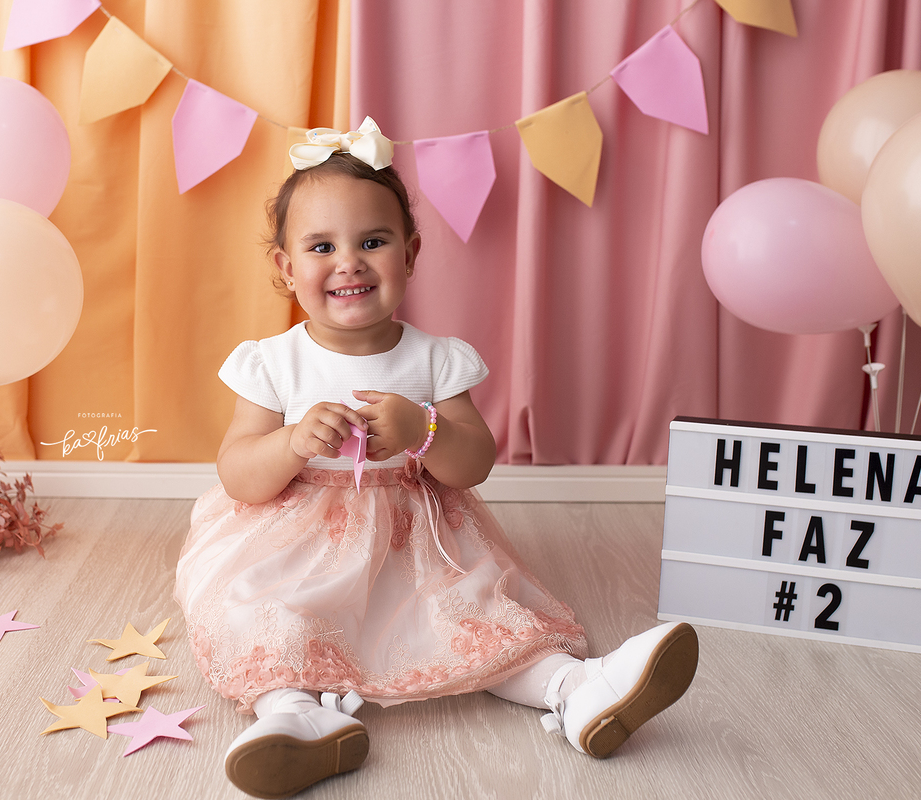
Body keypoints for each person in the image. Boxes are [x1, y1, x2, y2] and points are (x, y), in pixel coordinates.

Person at [175, 118, 698, 799]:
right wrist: (290, 441)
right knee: (264, 611)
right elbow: (238, 473)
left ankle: (577, 689)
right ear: (285, 267)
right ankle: (294, 717)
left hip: (419, 540)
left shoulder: (433, 359)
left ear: (410, 253)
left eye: (373, 241)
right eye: (321, 246)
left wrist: (423, 428)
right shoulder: (272, 364)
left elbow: (472, 462)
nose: (350, 261)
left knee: (478, 611)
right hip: (294, 539)